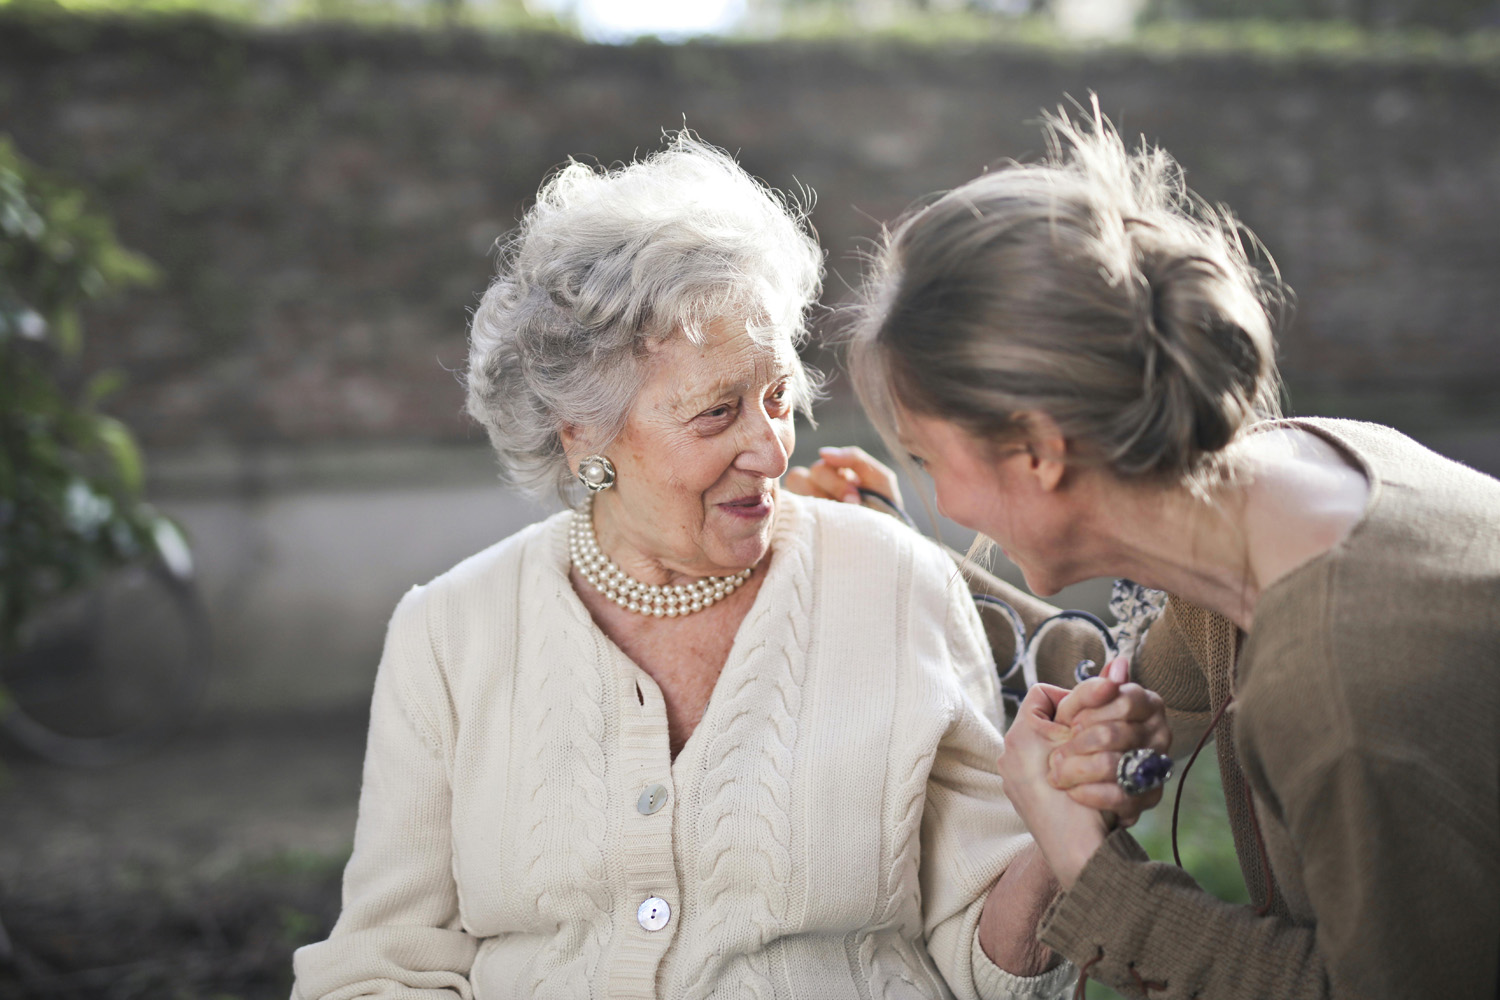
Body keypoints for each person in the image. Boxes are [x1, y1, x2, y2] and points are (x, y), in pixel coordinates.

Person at [289, 135, 1134, 1000]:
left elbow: (985, 964)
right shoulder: (449, 632)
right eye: (717, 412)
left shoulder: (893, 583)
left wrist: (1057, 829)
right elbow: (384, 963)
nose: (771, 449)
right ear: (583, 433)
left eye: (777, 397)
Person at [797, 107, 1500, 999]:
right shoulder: (1291, 479)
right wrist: (895, 554)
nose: (947, 503)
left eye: (933, 461)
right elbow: (1125, 667)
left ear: (1041, 451)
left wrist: (1091, 870)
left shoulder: (1342, 688)